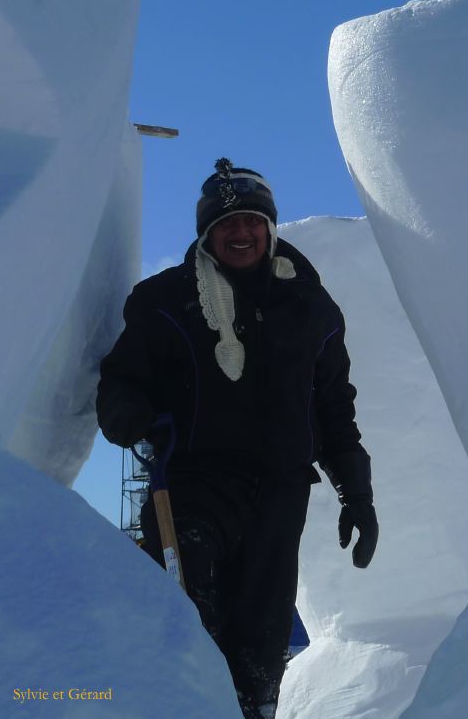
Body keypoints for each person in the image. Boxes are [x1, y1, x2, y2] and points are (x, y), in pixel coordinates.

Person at [96, 158, 378, 719]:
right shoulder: (162, 300)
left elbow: (333, 409)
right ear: (207, 233)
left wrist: (357, 494)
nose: (241, 233)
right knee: (182, 626)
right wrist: (126, 411)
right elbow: (122, 379)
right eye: (227, 224)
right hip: (190, 487)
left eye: (251, 221)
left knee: (262, 639)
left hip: (279, 493)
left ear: (270, 228)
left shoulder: (312, 309)